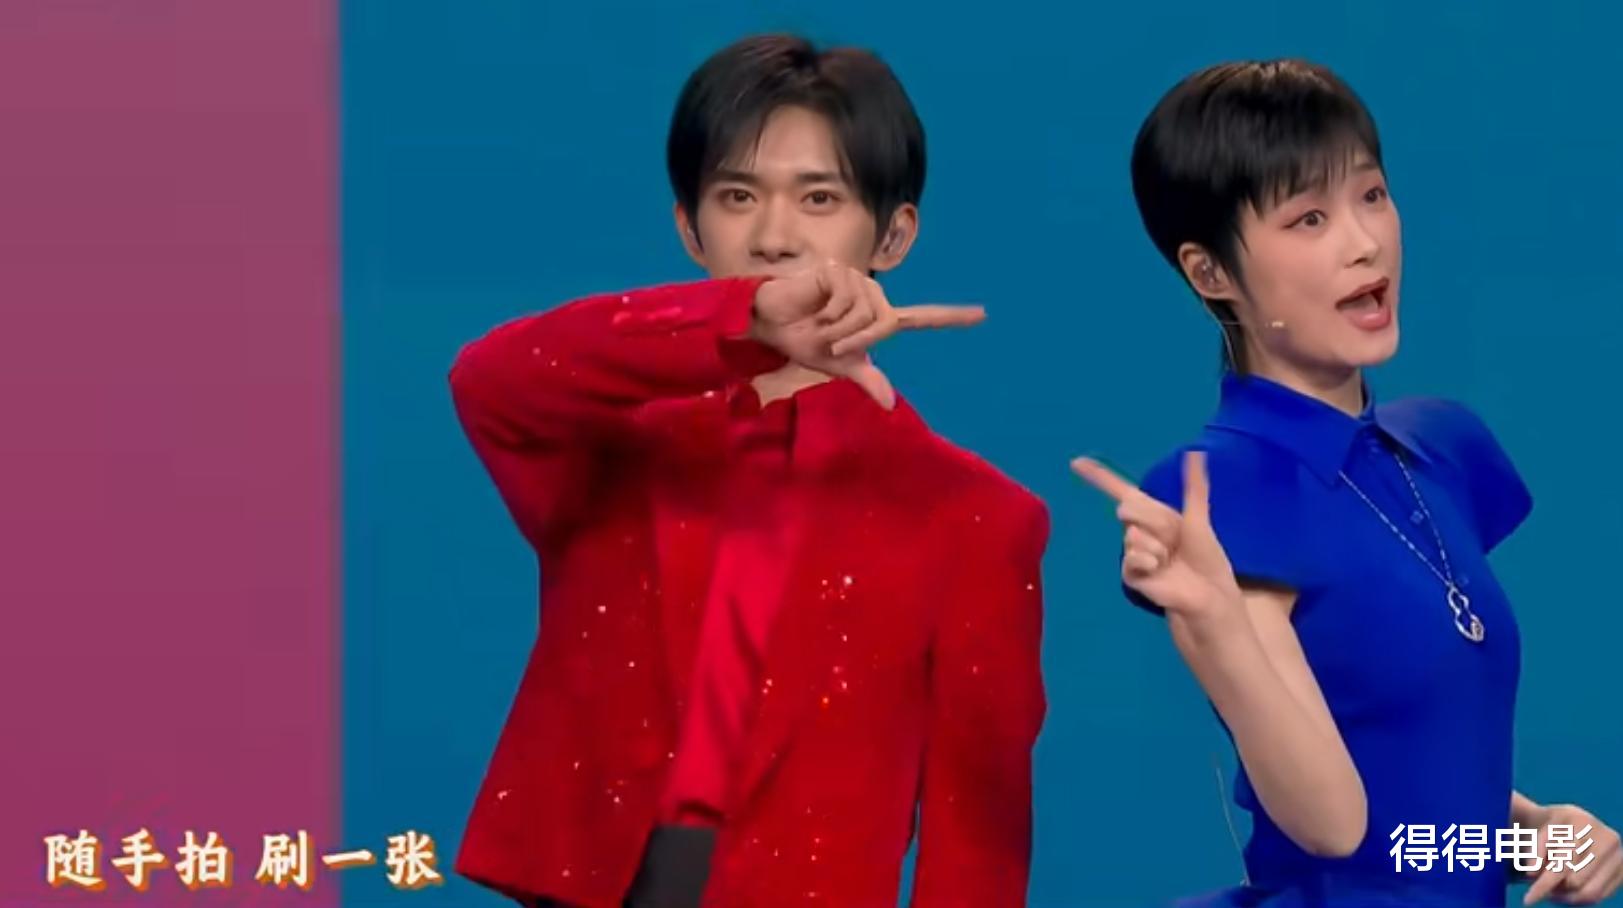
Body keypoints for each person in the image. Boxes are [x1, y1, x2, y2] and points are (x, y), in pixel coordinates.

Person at [448, 33, 1048, 908]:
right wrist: (739, 320)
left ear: (893, 234)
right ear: (689, 227)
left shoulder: (977, 518)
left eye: (819, 197)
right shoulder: (614, 441)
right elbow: (489, 379)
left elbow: (977, 839)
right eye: (737, 197)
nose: (773, 236)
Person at [1073, 59, 1622, 907]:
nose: (1363, 242)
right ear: (1210, 273)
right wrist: (1218, 628)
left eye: (1371, 195)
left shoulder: (1440, 446)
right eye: (1308, 218)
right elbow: (1332, 827)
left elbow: (1414, 809)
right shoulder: (1218, 491)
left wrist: (1540, 832)